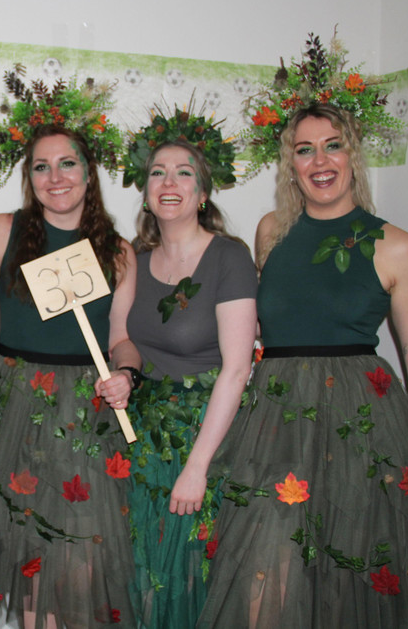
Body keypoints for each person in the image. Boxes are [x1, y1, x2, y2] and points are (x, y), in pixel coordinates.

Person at [200, 35, 408, 628]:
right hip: (275, 421)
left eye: (333, 146)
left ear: (352, 154)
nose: (320, 162)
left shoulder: (397, 246)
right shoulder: (270, 232)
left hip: (361, 423)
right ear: (291, 163)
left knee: (346, 587)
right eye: (304, 150)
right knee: (262, 581)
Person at [0, 66, 138, 627]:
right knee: (18, 554)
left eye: (67, 163)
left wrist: (126, 375)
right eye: (41, 166)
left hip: (83, 409)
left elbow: (121, 337)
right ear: (29, 177)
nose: (55, 177)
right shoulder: (3, 229)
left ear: (89, 173)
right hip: (11, 401)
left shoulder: (117, 251)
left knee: (75, 562)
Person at [118, 109, 257, 628]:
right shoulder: (133, 258)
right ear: (145, 191)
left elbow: (237, 370)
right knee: (142, 575)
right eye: (158, 173)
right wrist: (123, 374)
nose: (169, 183)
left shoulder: (230, 258)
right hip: (140, 437)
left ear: (203, 193)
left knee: (191, 578)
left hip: (206, 435)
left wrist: (197, 466)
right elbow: (122, 339)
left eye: (183, 173)